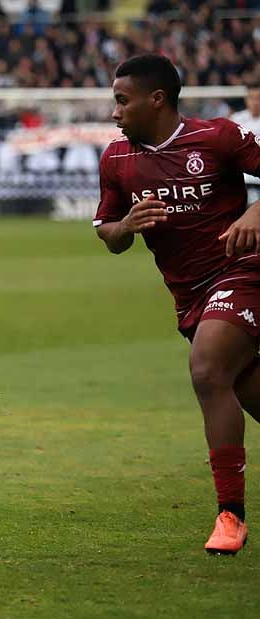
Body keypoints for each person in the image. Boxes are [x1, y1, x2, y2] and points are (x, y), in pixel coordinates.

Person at [94, 54, 260, 555]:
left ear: (157, 99)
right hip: (190, 295)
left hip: (245, 271)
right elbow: (109, 234)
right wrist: (128, 225)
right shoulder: (117, 160)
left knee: (208, 370)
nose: (115, 112)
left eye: (123, 101)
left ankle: (231, 516)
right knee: (242, 390)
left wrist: (257, 211)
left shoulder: (219, 137)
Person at [230, 83, 260, 204]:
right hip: (240, 177)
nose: (255, 102)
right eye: (252, 98)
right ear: (246, 99)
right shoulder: (236, 119)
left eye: (259, 98)